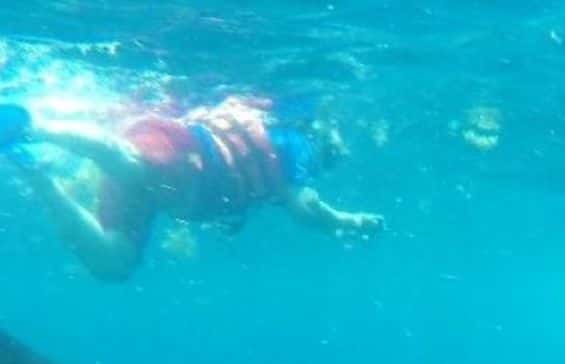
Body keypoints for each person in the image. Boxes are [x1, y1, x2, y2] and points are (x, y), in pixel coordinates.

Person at [0, 96, 384, 281]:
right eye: (330, 155)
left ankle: (34, 168)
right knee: (133, 165)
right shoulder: (299, 146)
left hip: (167, 186)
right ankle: (34, 128)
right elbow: (306, 207)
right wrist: (346, 222)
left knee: (115, 264)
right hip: (186, 156)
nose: (323, 164)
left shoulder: (280, 153)